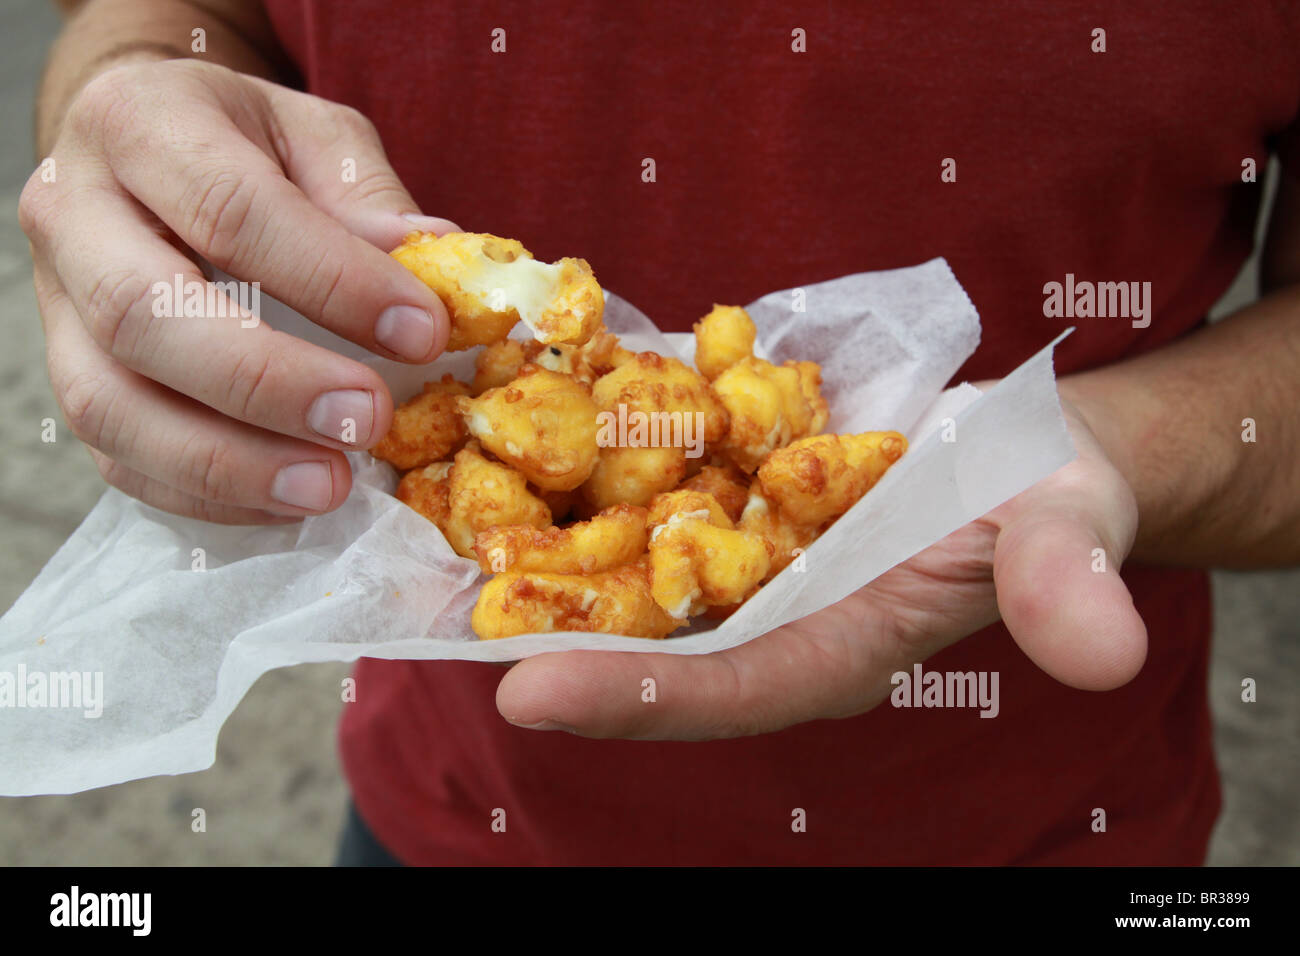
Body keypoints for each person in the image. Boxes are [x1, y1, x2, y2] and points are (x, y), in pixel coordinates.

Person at [20, 0, 1300, 865]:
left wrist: (1109, 445)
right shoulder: (551, 446)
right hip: (454, 811)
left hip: (1044, 826)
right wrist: (130, 103)